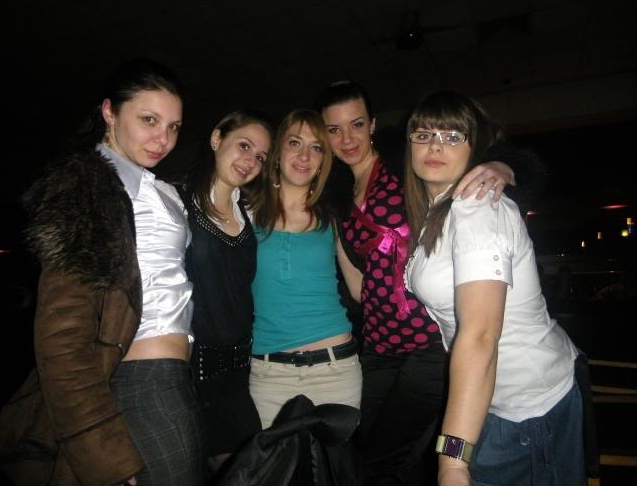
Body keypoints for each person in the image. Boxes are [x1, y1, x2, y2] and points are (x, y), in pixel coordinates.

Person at [0, 58, 204, 485]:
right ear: (109, 111)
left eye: (174, 127)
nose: (163, 139)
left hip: (173, 379)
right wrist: (102, 454)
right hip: (139, 385)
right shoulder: (87, 188)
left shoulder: (160, 191)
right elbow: (62, 339)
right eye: (149, 120)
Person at [316, 80, 516, 485]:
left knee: (387, 456)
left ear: (373, 125)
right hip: (379, 343)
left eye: (356, 124)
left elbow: (473, 154)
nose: (347, 139)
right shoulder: (337, 195)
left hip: (427, 340)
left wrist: (501, 167)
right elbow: (356, 282)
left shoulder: (404, 163)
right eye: (334, 130)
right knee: (368, 442)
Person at [404, 90, 583, 486]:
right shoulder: (438, 212)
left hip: (528, 403)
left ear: (476, 149)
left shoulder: (478, 208)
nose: (435, 145)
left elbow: (481, 334)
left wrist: (452, 461)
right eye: (424, 134)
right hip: (493, 397)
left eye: (453, 136)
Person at [248, 109, 362, 430]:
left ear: (324, 161)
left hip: (336, 370)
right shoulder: (244, 214)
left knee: (334, 462)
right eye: (295, 143)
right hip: (268, 374)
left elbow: (361, 288)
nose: (304, 156)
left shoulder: (334, 216)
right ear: (276, 152)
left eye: (316, 148)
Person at [181, 111, 273, 474]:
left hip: (240, 370)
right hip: (195, 371)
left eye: (260, 157)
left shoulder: (248, 211)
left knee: (252, 470)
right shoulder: (176, 203)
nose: (251, 161)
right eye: (244, 146)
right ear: (217, 138)